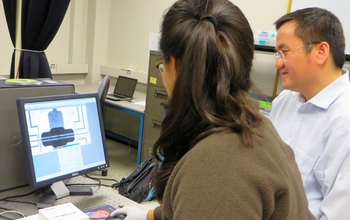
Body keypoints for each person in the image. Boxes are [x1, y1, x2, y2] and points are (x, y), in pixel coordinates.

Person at [111, 0, 314, 219]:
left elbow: (210, 195)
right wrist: (148, 216)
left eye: (162, 66)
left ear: (176, 68)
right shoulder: (255, 125)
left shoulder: (214, 167)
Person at [269, 7, 350, 219]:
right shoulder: (284, 101)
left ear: (321, 51)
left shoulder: (345, 122)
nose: (278, 62)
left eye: (284, 52)